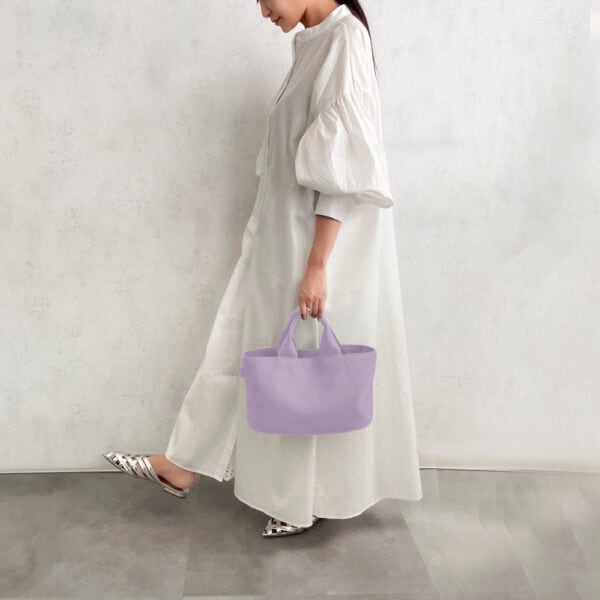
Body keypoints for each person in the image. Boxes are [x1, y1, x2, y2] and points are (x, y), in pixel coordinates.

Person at [103, 0, 423, 538]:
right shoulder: (311, 42)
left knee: (298, 372)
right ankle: (183, 464)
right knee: (246, 350)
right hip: (278, 238)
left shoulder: (345, 40)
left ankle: (301, 501)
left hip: (311, 246)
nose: (261, 10)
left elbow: (345, 171)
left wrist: (317, 265)